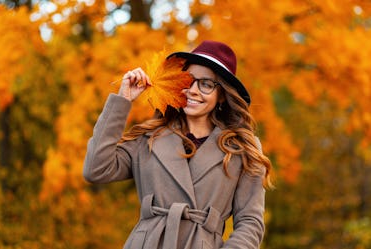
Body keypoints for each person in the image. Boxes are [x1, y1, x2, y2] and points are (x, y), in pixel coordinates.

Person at [83, 40, 273, 249]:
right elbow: (96, 169)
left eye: (206, 84)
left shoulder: (241, 149)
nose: (192, 90)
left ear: (221, 96)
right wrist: (123, 101)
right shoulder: (149, 138)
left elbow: (250, 223)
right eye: (188, 80)